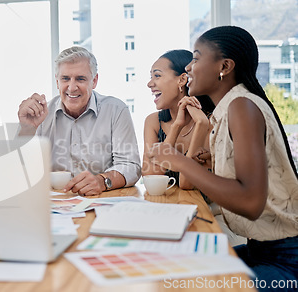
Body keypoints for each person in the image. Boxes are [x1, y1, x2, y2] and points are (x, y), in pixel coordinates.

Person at [147, 26, 298, 289]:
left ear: (224, 66)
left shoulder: (242, 105)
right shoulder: (228, 109)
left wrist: (181, 161)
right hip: (260, 251)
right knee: (174, 275)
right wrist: (212, 166)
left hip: (285, 259)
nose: (190, 68)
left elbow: (250, 202)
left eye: (196, 58)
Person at [18, 46, 141, 196]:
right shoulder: (40, 115)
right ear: (57, 82)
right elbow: (21, 173)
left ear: (94, 81)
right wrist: (26, 129)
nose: (72, 87)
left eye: (80, 79)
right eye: (65, 79)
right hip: (55, 204)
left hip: (102, 199)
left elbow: (131, 166)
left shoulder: (116, 110)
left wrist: (103, 181)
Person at [142, 49, 214, 189]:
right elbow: (150, 175)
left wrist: (201, 124)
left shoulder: (210, 122)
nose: (149, 83)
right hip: (165, 205)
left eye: (157, 76)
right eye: (151, 76)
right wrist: (176, 127)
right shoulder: (153, 122)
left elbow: (187, 184)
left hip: (201, 206)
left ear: (181, 80)